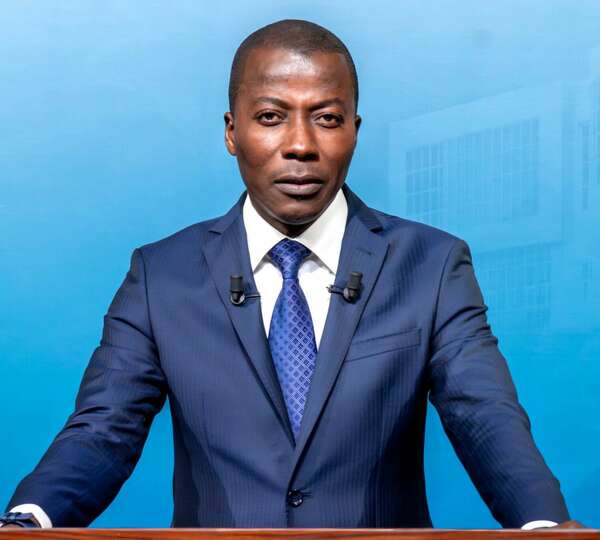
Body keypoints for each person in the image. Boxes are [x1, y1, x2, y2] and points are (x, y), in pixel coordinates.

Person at [1, 19, 580, 530]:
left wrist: (544, 525)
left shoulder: (431, 266)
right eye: (271, 117)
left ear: (355, 129)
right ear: (232, 131)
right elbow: (103, 429)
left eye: (326, 118)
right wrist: (28, 520)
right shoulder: (160, 276)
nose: (300, 145)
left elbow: (484, 414)